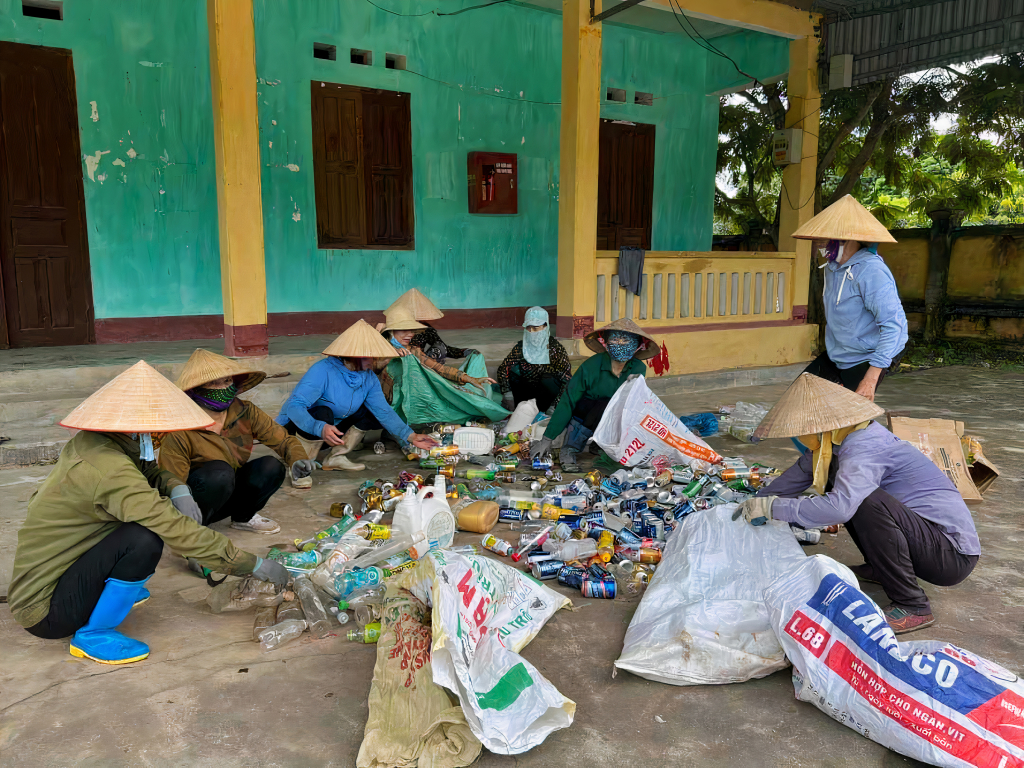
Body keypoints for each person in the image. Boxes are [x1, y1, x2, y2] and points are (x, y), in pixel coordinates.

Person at [7, 361, 289, 665]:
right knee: (145, 537)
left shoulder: (99, 442)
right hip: (46, 612)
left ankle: (109, 591)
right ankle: (94, 633)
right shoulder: (109, 469)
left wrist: (176, 488)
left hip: (54, 572)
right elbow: (171, 525)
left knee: (137, 526)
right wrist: (249, 563)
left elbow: (150, 469)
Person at [737, 373, 980, 635]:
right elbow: (797, 476)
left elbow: (840, 508)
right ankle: (882, 567)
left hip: (951, 555)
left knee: (860, 499)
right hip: (923, 540)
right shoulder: (833, 443)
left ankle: (913, 605)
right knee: (841, 485)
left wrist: (774, 508)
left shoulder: (864, 444)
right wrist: (753, 503)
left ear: (825, 422)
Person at [157, 349, 314, 539]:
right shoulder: (181, 428)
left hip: (230, 487)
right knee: (219, 472)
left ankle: (243, 517)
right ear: (196, 390)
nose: (223, 387)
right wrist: (179, 501)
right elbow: (170, 477)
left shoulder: (246, 411)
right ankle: (195, 529)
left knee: (271, 466)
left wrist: (297, 459)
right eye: (213, 383)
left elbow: (283, 440)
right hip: (197, 496)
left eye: (227, 381)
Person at [276, 319, 438, 471]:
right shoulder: (322, 370)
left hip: (330, 434)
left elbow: (383, 411)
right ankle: (301, 463)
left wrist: (411, 436)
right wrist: (319, 427)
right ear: (352, 356)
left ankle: (335, 457)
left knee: (371, 413)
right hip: (294, 433)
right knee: (323, 412)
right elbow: (294, 407)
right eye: (367, 356)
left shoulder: (369, 378)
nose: (372, 361)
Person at [792, 194, 908, 403]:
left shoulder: (871, 271)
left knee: (848, 420)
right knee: (800, 399)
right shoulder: (831, 268)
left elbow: (894, 326)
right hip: (839, 354)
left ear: (847, 239)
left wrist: (870, 379)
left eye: (824, 238)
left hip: (867, 357)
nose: (820, 243)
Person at [530, 318, 657, 472]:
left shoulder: (638, 368)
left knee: (624, 407)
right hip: (585, 412)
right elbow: (568, 401)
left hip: (615, 417)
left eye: (626, 340)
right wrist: (547, 439)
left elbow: (638, 403)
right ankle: (569, 448)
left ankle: (601, 444)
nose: (620, 344)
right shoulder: (591, 366)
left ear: (637, 345)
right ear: (606, 342)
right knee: (603, 404)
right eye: (615, 339)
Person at [377, 307, 497, 409]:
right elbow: (372, 368)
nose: (411, 334)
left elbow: (439, 368)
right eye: (404, 330)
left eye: (412, 330)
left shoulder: (412, 350)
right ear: (391, 331)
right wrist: (390, 355)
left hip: (408, 399)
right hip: (383, 400)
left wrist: (470, 379)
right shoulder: (376, 346)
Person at [496, 306, 572, 414]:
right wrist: (508, 395)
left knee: (548, 379)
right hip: (526, 398)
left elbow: (567, 380)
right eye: (528, 328)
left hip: (548, 398)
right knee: (513, 373)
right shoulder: (521, 348)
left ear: (545, 327)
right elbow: (503, 370)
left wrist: (555, 406)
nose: (531, 332)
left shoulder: (555, 349)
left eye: (536, 328)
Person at [386, 288, 479, 363]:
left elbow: (444, 348)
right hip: (396, 361)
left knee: (439, 347)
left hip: (420, 362)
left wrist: (464, 352)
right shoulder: (391, 327)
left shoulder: (425, 329)